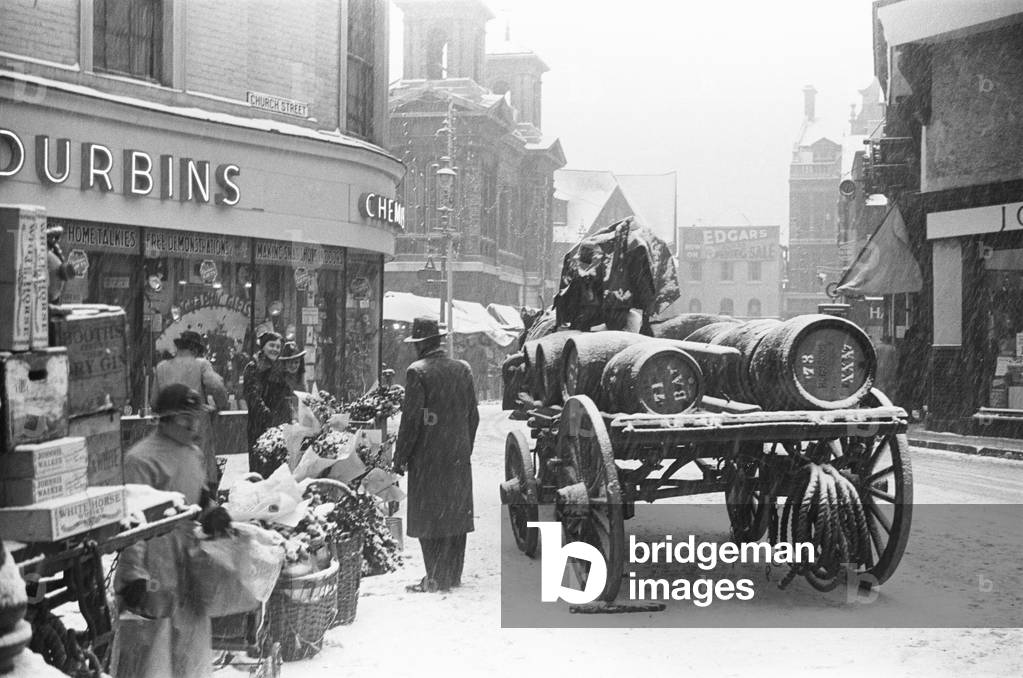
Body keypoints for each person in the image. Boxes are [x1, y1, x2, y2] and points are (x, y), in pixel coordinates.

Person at [113, 384, 231, 678]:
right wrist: (133, 578)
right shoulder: (141, 459)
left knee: (190, 649)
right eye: (184, 418)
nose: (193, 424)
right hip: (153, 565)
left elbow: (198, 495)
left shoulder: (192, 453)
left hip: (187, 563)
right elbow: (134, 523)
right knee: (152, 651)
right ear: (164, 419)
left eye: (195, 416)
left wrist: (211, 511)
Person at [393, 317, 479, 593]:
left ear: (420, 345)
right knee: (455, 514)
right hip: (457, 456)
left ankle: (435, 576)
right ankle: (453, 574)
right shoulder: (462, 369)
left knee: (429, 517)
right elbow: (473, 416)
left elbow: (411, 421)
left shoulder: (418, 372)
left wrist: (401, 456)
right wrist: (464, 445)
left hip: (427, 458)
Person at [152, 330, 229, 492]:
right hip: (195, 425)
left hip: (168, 429)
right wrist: (220, 405)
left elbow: (154, 402)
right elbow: (216, 386)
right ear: (195, 350)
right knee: (200, 468)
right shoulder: (201, 364)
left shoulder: (161, 368)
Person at [243, 331, 293, 476]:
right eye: (272, 345)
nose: (275, 349)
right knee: (261, 466)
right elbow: (252, 396)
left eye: (278, 346)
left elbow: (284, 396)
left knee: (279, 469)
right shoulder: (253, 367)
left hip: (280, 425)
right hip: (260, 426)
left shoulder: (279, 368)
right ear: (263, 347)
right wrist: (267, 416)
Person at [874, 334, 899, 399]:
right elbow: (895, 360)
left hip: (879, 368)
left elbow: (875, 358)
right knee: (888, 384)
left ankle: (880, 397)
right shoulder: (892, 348)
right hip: (889, 368)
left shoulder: (877, 347)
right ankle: (887, 398)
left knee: (879, 384)